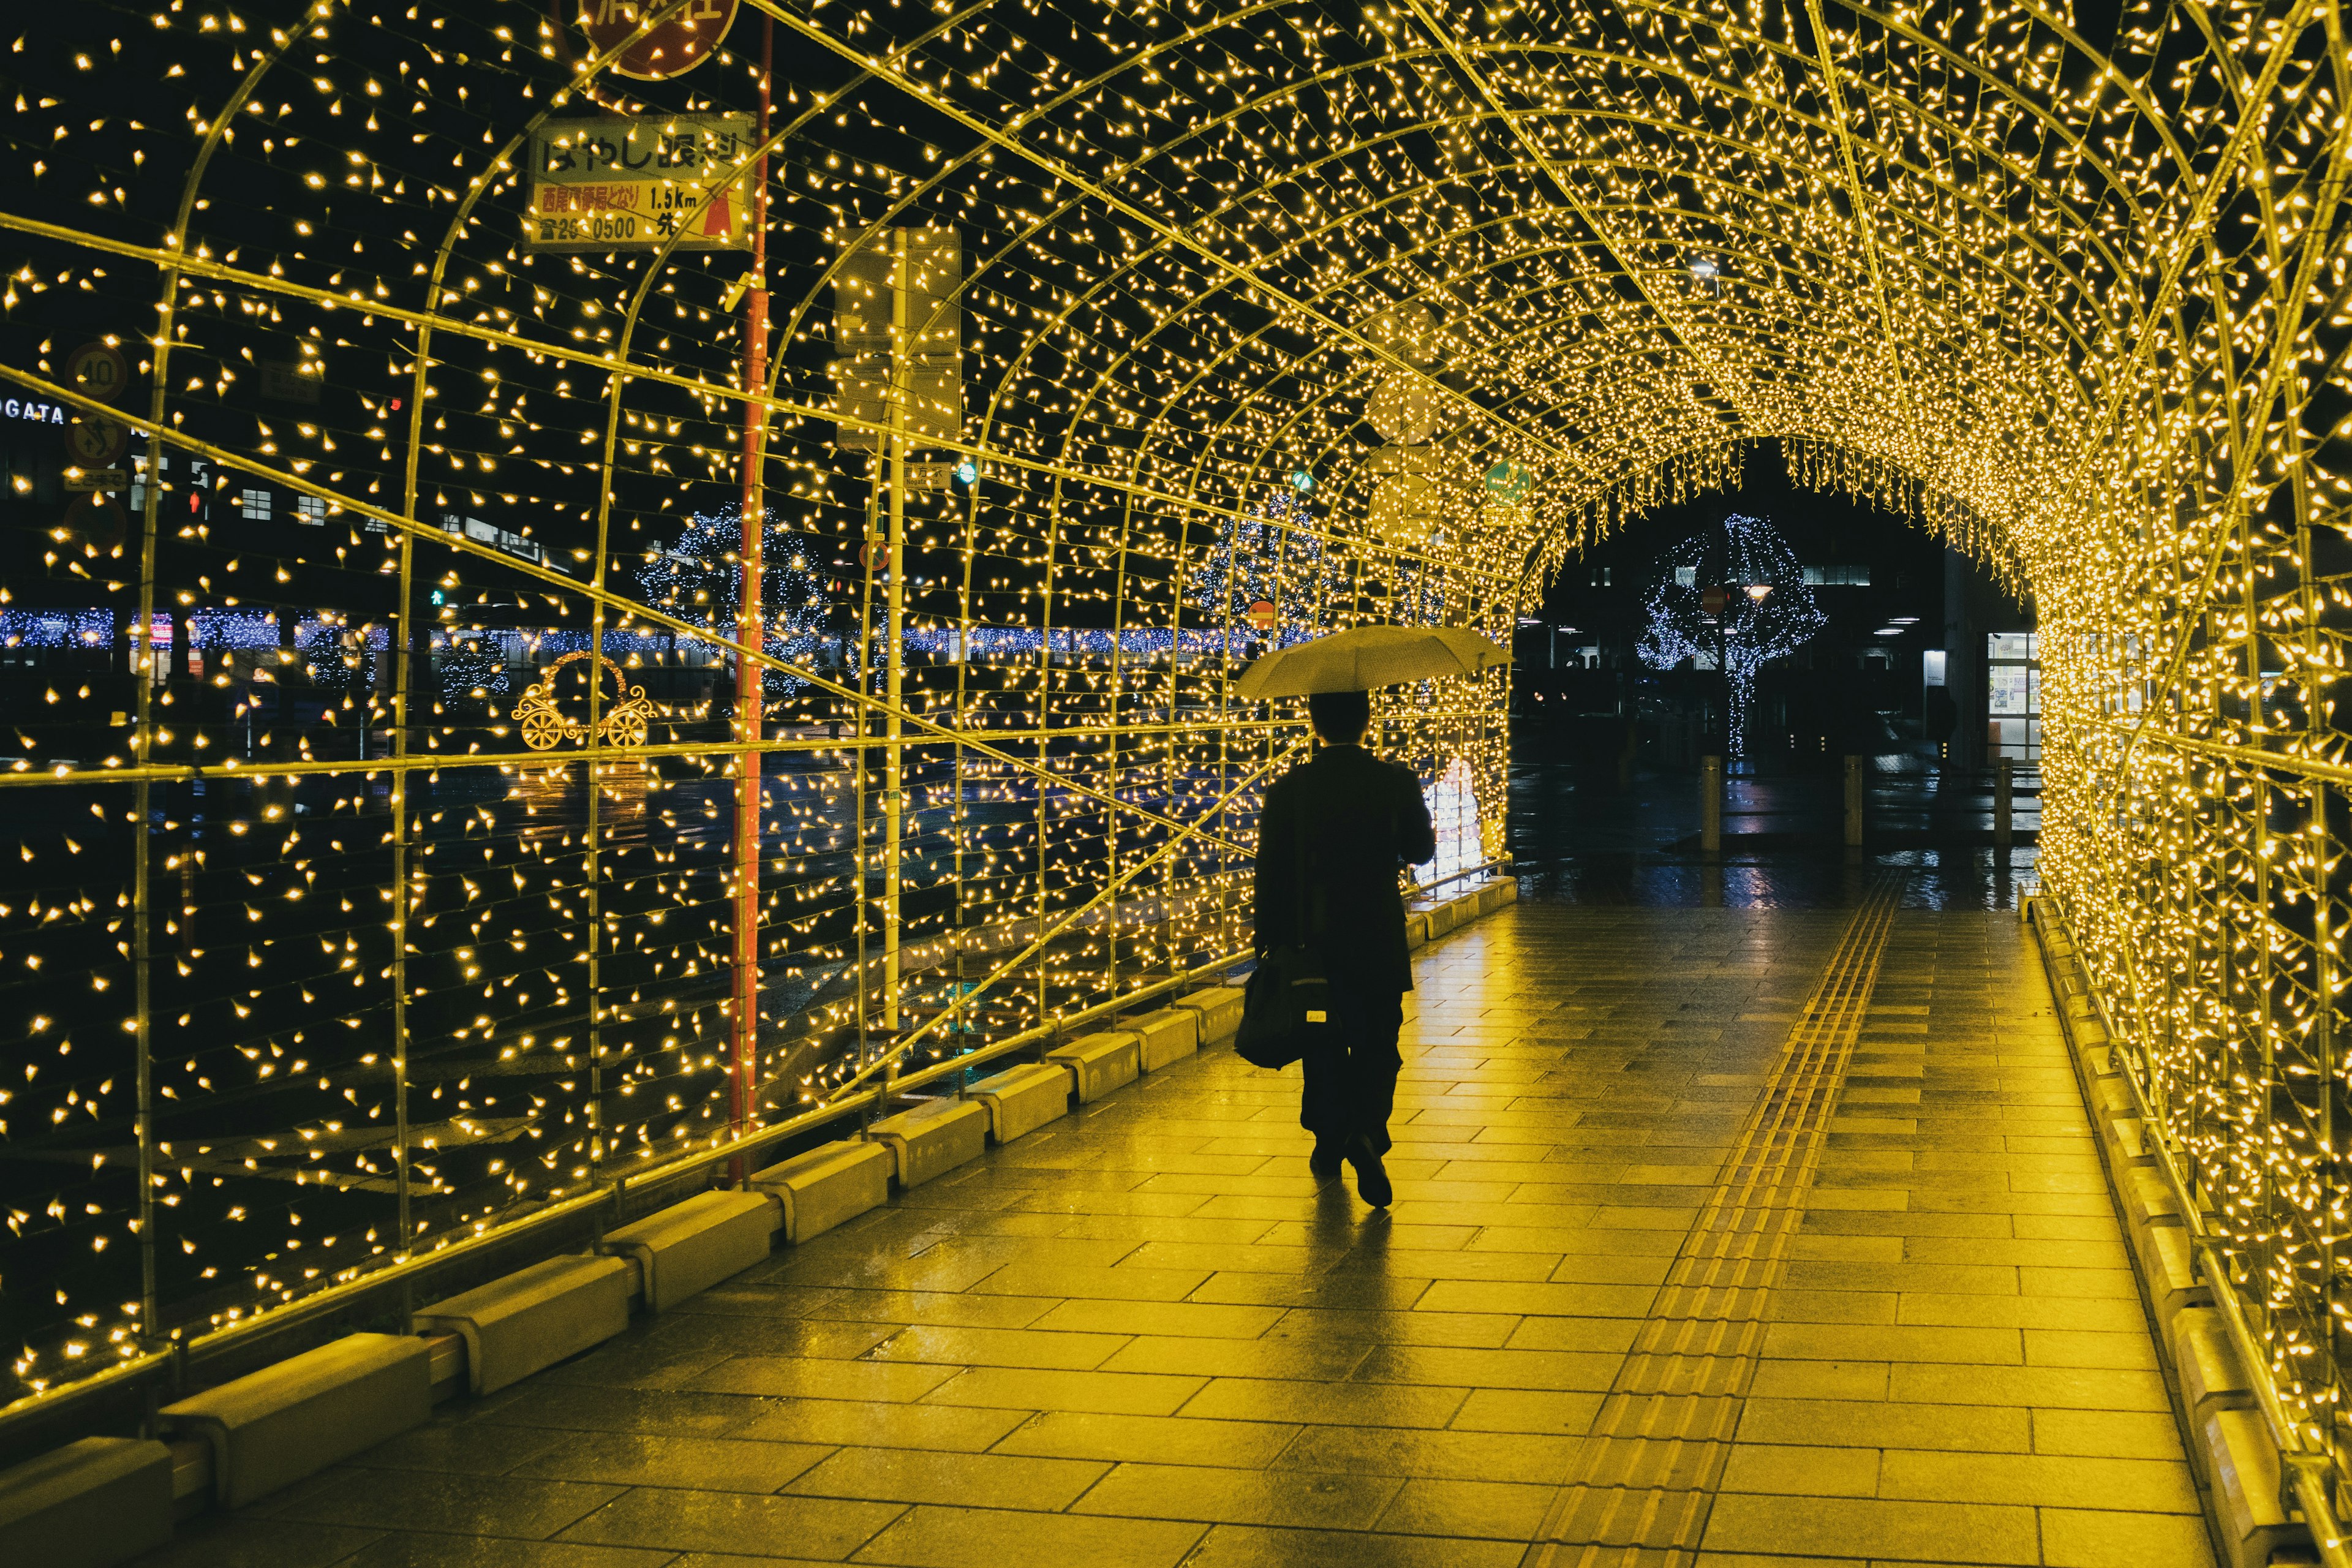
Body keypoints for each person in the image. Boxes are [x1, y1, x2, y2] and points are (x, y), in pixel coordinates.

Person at [1252, 688, 1437, 1207]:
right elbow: (1421, 852)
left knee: (1325, 1042)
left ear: (1315, 723)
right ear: (1366, 719)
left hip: (1315, 942)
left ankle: (1330, 1139)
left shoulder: (1292, 790)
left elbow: (1270, 875)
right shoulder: (1393, 781)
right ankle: (1368, 1133)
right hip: (1377, 937)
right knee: (1379, 1041)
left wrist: (1267, 941)